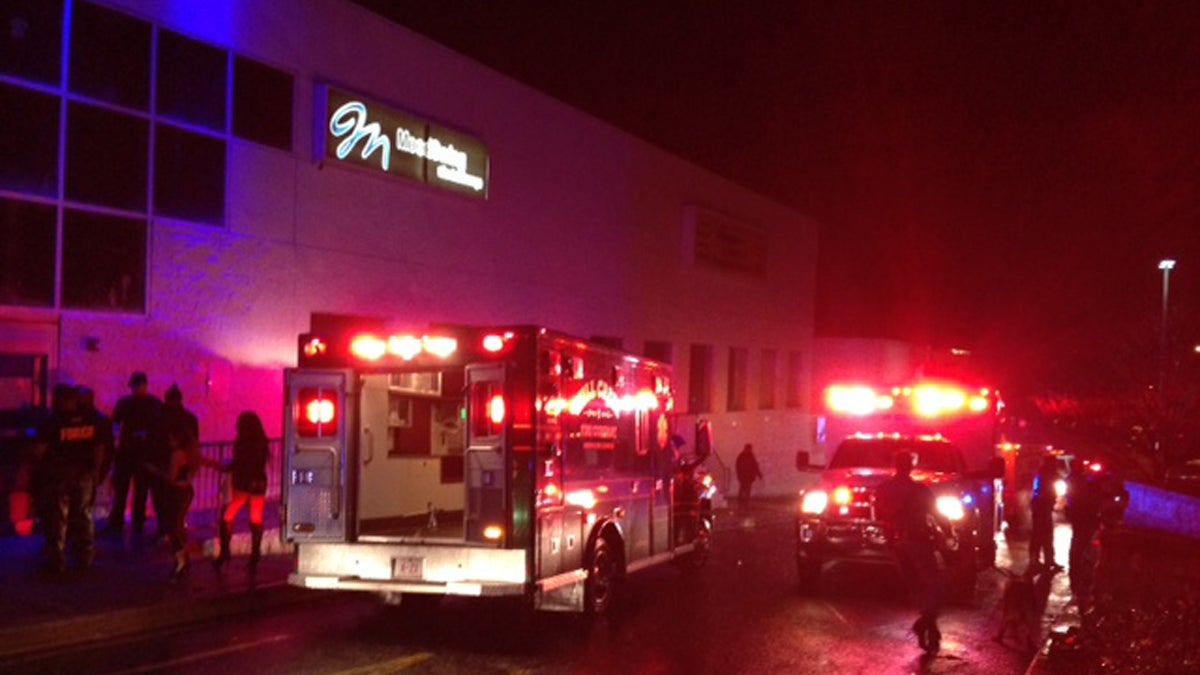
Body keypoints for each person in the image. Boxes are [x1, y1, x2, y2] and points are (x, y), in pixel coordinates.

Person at [875, 450, 949, 654]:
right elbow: (935, 513)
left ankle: (930, 626)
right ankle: (926, 622)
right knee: (934, 583)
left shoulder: (882, 490)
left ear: (894, 465)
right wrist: (949, 531)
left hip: (897, 544)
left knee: (916, 585)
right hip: (918, 541)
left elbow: (880, 515)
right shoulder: (919, 490)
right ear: (911, 466)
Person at [32, 385, 107, 572]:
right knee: (84, 515)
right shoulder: (91, 420)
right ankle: (85, 557)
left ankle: (56, 560)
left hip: (58, 475)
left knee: (57, 517)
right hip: (84, 475)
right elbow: (99, 448)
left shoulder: (52, 421)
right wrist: (96, 471)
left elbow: (38, 451)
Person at [106, 372, 165, 535]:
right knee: (140, 490)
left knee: (123, 490)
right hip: (144, 454)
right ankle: (137, 524)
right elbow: (161, 429)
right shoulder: (155, 404)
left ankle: (118, 523)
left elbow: (115, 426)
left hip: (127, 453)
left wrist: (114, 444)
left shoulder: (125, 403)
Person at [213, 411, 270, 576]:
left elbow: (240, 462)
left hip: (244, 484)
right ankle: (255, 555)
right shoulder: (261, 441)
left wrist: (227, 467)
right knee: (256, 519)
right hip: (259, 483)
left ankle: (224, 553)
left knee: (227, 516)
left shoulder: (243, 441)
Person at [1028, 454, 1062, 572]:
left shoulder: (1048, 473)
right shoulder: (1043, 474)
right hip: (1041, 507)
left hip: (1044, 506)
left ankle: (1049, 560)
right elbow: (1040, 491)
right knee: (1038, 534)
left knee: (1047, 534)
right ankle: (1034, 561)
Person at [735, 443, 763, 508]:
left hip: (746, 476)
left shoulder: (742, 456)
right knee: (745, 489)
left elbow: (754, 466)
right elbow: (755, 466)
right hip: (746, 476)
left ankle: (743, 502)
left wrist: (759, 474)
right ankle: (744, 502)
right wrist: (759, 474)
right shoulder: (748, 456)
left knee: (744, 489)